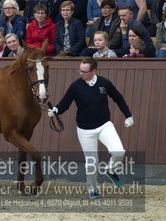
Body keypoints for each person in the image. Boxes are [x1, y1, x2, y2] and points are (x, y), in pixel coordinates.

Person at [48, 57, 134, 199]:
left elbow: (118, 98)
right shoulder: (75, 86)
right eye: (80, 70)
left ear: (94, 71)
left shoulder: (104, 83)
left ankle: (110, 170)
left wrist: (128, 115)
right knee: (91, 163)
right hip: (85, 130)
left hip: (104, 125)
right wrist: (56, 110)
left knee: (119, 152)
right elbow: (65, 103)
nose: (81, 73)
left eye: (84, 71)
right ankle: (93, 190)